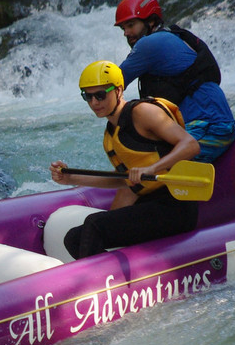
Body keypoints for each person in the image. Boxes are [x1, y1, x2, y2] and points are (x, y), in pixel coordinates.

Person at [50, 60, 200, 259]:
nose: (94, 102)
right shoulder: (111, 133)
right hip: (148, 205)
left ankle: (95, 282)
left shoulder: (143, 112)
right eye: (88, 96)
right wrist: (71, 179)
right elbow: (123, 179)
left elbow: (190, 145)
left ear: (118, 90)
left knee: (94, 225)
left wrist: (153, 168)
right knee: (73, 238)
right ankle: (114, 277)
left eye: (100, 95)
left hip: (176, 204)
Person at [114, 0, 235, 163]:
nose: (126, 33)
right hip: (216, 124)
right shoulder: (172, 36)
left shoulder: (149, 45)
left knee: (147, 162)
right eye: (123, 28)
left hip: (208, 128)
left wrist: (93, 95)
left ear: (150, 21)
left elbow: (112, 83)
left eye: (131, 25)